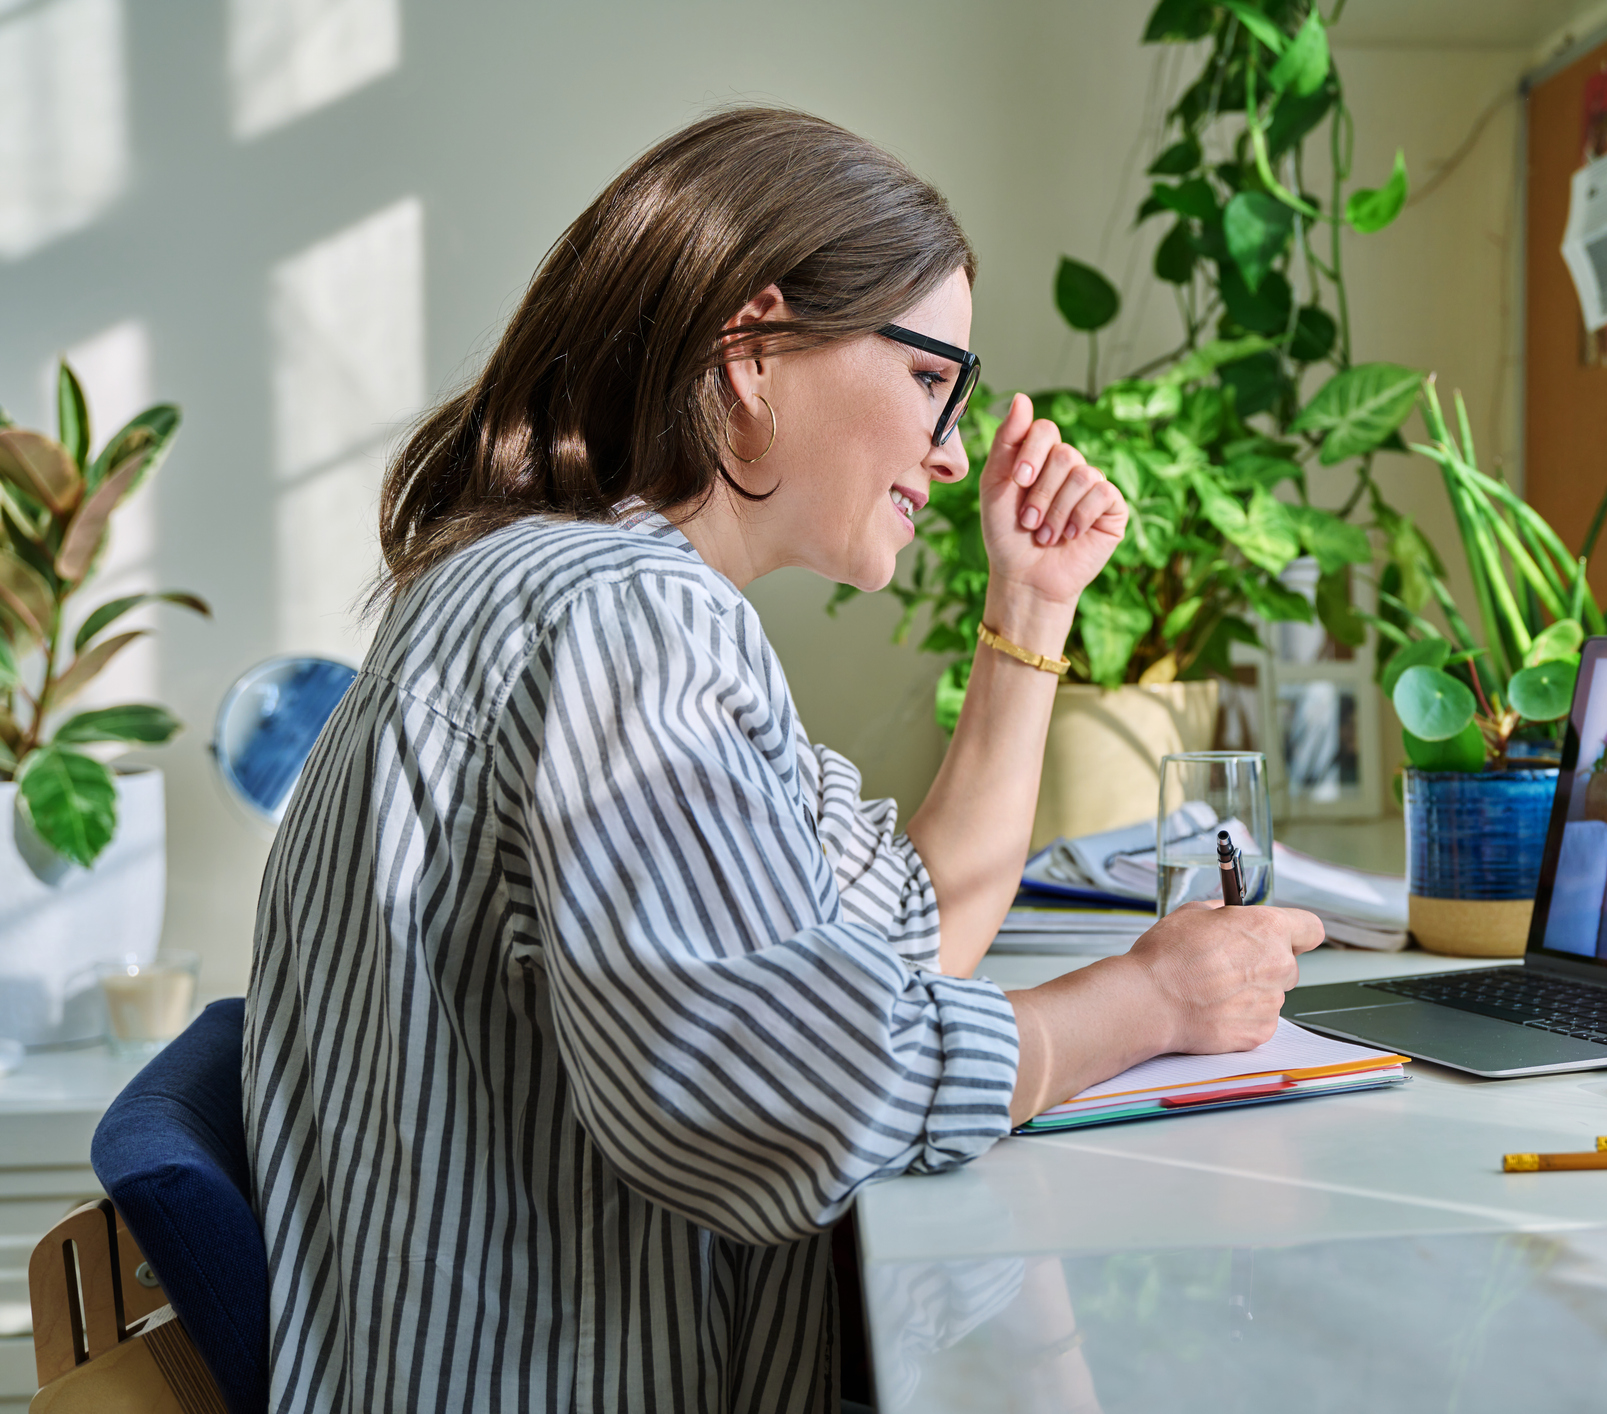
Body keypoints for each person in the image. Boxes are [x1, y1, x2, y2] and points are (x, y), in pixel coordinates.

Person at [242, 108, 1322, 1413]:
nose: (953, 451)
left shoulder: (534, 587)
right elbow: (794, 1095)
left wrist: (1030, 605)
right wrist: (1147, 1000)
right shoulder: (621, 615)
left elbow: (907, 931)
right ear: (753, 348)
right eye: (932, 381)